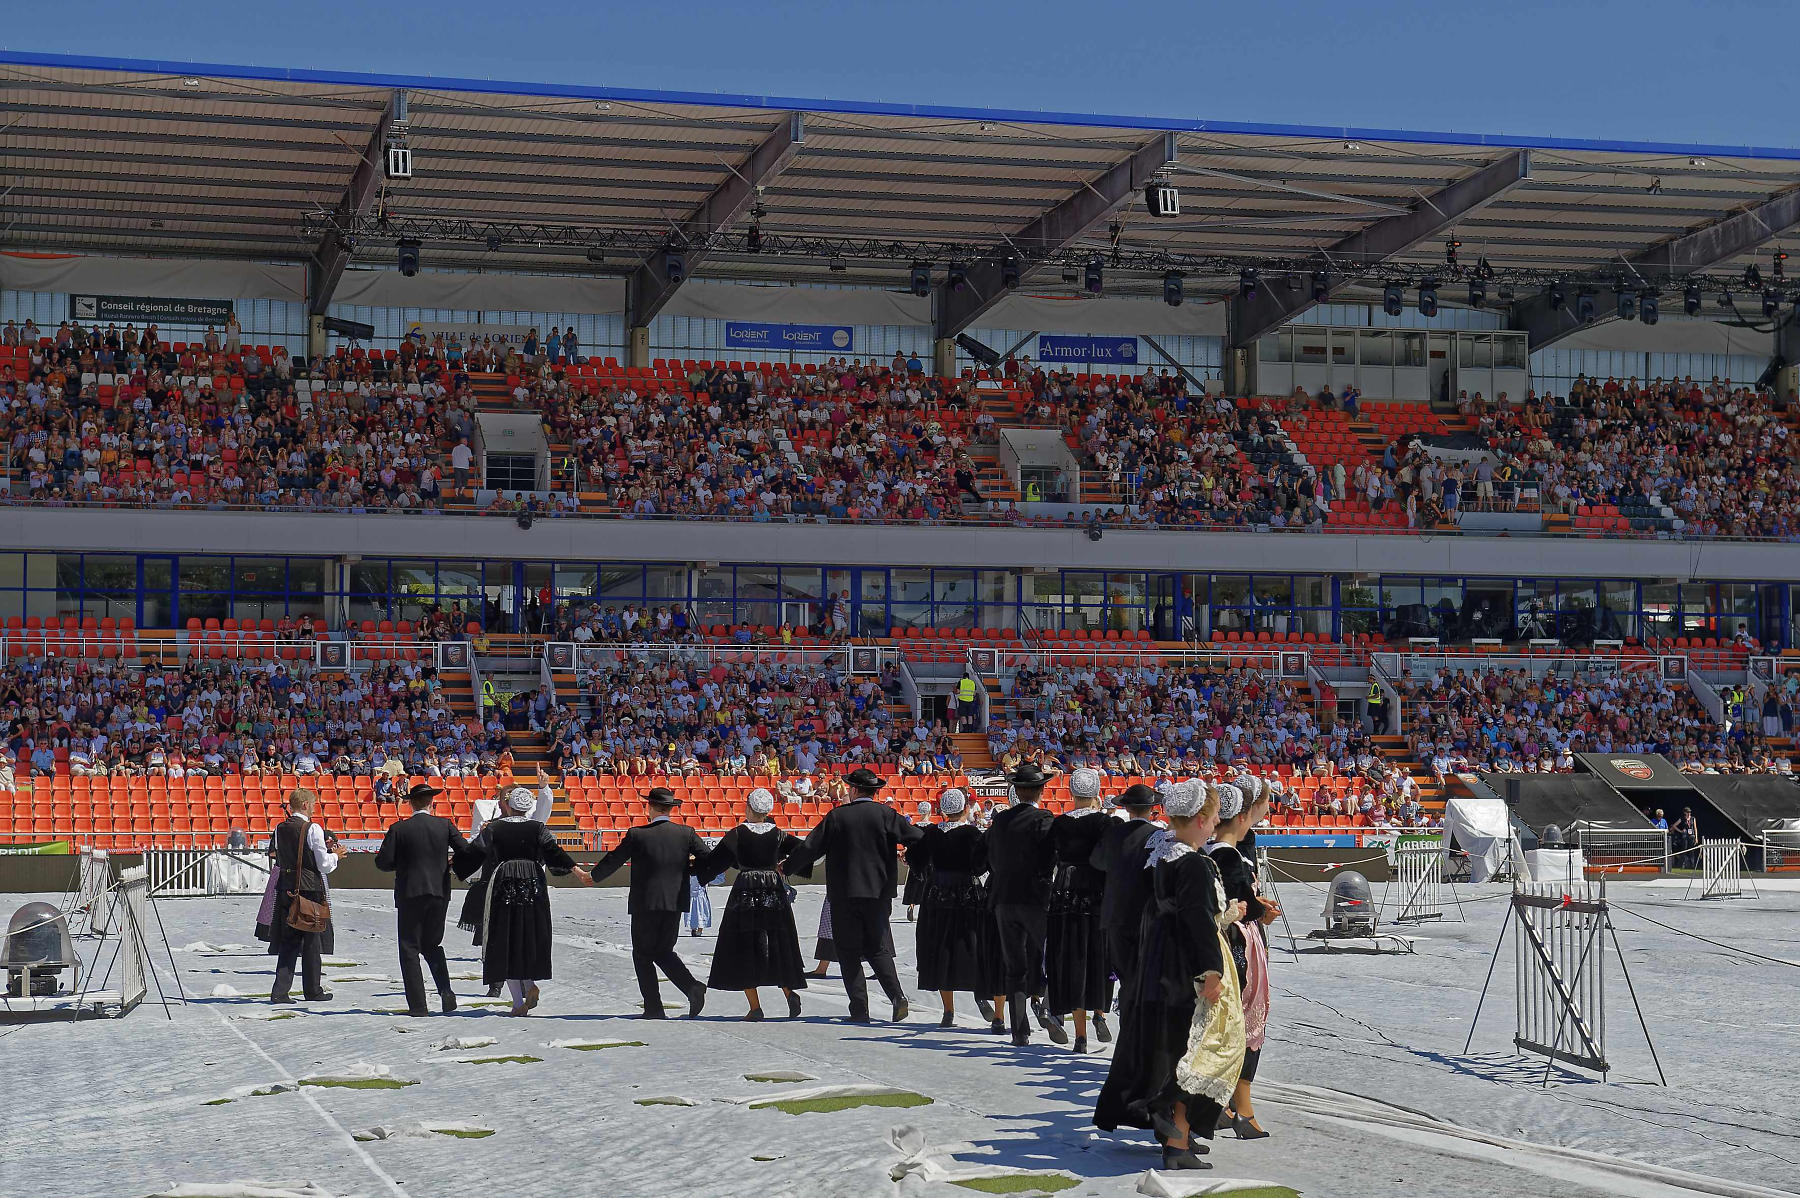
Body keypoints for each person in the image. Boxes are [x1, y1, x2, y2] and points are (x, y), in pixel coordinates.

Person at [1094, 780, 1243, 1171]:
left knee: (1174, 1047)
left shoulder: (1164, 854)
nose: (1216, 825)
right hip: (1183, 967)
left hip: (1161, 961)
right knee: (1193, 1050)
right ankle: (1176, 1141)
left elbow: (1172, 911)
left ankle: (1177, 1136)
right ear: (1199, 819)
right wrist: (1209, 971)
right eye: (1213, 818)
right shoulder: (1192, 863)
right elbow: (1195, 919)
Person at [784, 765, 922, 1023]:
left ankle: (860, 1010)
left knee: (848, 951)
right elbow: (917, 838)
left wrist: (787, 867)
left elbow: (810, 848)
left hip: (844, 893)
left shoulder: (837, 817)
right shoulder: (887, 814)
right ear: (874, 791)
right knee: (878, 948)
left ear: (854, 789)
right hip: (878, 893)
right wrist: (911, 857)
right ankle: (897, 997)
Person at [459, 785, 592, 1015]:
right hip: (533, 883)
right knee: (528, 934)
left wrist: (452, 866)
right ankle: (529, 984)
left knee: (504, 938)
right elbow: (555, 852)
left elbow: (474, 852)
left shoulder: (495, 828)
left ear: (508, 805)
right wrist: (578, 871)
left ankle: (518, 1002)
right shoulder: (538, 828)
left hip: (504, 882)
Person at [588, 786, 711, 1018]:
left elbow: (615, 858)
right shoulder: (686, 833)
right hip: (674, 901)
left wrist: (593, 877)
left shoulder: (637, 834)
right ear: (671, 809)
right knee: (663, 951)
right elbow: (709, 858)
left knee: (642, 955)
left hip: (645, 903)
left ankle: (654, 1007)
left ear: (650, 807)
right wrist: (691, 869)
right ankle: (692, 988)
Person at [698, 788, 807, 1020]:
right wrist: (785, 867)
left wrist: (696, 870)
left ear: (748, 808)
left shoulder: (737, 834)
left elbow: (715, 861)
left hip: (746, 889)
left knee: (744, 943)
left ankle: (755, 1008)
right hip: (773, 890)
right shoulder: (778, 834)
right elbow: (804, 851)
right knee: (777, 941)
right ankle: (789, 993)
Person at [1211, 779, 1279, 1139]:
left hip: (1227, 940)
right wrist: (1258, 911)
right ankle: (1243, 1108)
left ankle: (1224, 1103)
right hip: (1238, 943)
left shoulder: (1208, 850)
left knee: (1230, 1023)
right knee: (1248, 1022)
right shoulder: (1229, 853)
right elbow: (1239, 904)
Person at [375, 783, 470, 1017]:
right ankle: (446, 990)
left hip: (410, 892)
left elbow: (382, 862)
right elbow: (467, 851)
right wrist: (450, 864)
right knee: (432, 945)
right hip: (439, 892)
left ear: (410, 804)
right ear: (431, 802)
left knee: (409, 948)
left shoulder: (399, 828)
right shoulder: (444, 825)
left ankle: (418, 1006)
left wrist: (402, 864)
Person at [984, 762, 1061, 1046]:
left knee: (1014, 966)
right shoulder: (1043, 819)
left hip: (1004, 897)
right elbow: (1051, 857)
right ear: (1041, 791)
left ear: (1016, 791)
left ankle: (1019, 1030)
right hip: (1036, 897)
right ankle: (1049, 1009)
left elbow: (991, 856)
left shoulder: (1000, 821)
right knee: (1051, 956)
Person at [909, 787, 993, 1027]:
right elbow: (980, 865)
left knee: (940, 946)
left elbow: (915, 860)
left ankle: (948, 1010)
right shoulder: (971, 833)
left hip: (937, 893)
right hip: (966, 893)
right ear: (965, 808)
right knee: (972, 944)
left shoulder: (932, 833)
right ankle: (980, 994)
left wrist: (928, 873)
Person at [460, 778, 551, 997]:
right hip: (493, 887)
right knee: (494, 937)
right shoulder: (492, 825)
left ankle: (524, 985)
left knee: (518, 936)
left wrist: (543, 789)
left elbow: (543, 812)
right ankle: (497, 984)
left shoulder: (527, 824)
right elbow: (476, 850)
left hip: (520, 888)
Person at [1047, 767, 1112, 1053]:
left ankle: (1080, 1036)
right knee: (1098, 955)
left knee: (1072, 958)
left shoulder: (1059, 823)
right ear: (1096, 792)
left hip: (1065, 891)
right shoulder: (1104, 823)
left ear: (1071, 792)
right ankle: (1099, 1013)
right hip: (1096, 891)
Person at [269, 788, 342, 1005]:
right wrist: (335, 856)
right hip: (308, 889)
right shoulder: (312, 828)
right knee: (311, 941)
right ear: (304, 805)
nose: (314, 809)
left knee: (289, 941)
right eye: (313, 805)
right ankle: (312, 990)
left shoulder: (279, 828)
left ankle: (280, 991)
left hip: (286, 886)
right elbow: (323, 864)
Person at [1091, 783, 1162, 1008]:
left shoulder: (1113, 833)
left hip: (1116, 913)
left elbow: (1097, 861)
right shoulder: (1158, 836)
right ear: (1151, 808)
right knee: (1144, 977)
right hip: (1146, 916)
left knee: (1125, 977)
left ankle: (1128, 1020)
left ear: (1128, 808)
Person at [902, 800, 934, 922]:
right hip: (929, 861)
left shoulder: (913, 828)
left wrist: (908, 859)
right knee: (928, 887)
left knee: (914, 885)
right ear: (929, 812)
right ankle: (928, 911)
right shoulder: (933, 828)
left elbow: (909, 845)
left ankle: (912, 905)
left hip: (916, 862)